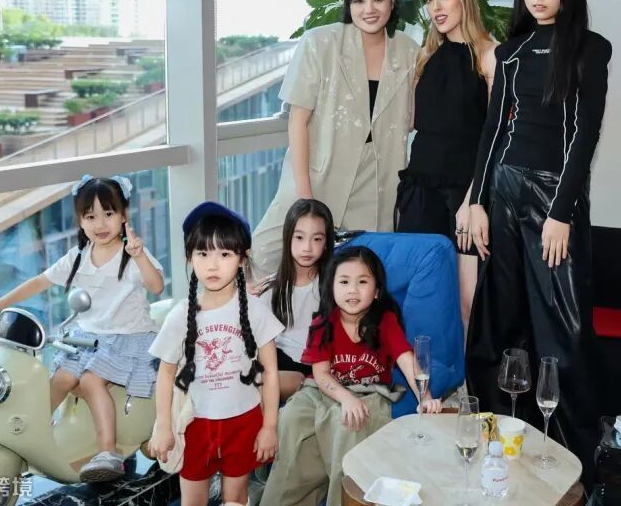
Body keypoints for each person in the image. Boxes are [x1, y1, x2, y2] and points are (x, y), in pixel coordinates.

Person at [467, 0, 611, 486]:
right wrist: (477, 201)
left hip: (555, 201)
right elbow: (492, 132)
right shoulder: (510, 52)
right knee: (499, 319)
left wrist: (561, 212)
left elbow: (584, 136)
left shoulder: (590, 49)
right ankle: (502, 441)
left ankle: (576, 469)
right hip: (503, 192)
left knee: (563, 331)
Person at [0, 174, 164, 482]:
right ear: (80, 221)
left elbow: (156, 286)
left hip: (127, 337)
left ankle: (108, 452)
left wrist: (140, 256)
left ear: (123, 215)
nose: (100, 223)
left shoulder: (131, 256)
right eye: (91, 216)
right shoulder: (78, 257)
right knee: (59, 379)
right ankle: (30, 436)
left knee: (90, 381)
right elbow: (40, 281)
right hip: (88, 339)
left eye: (108, 213)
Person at [250, 0, 420, 280]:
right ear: (348, 4)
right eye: (359, 0)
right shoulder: (320, 43)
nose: (369, 9)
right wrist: (305, 195)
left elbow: (411, 119)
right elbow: (297, 122)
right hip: (318, 173)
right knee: (264, 256)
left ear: (392, 2)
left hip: (375, 181)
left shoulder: (408, 51)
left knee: (355, 275)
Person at [261, 246, 442, 506]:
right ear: (331, 287)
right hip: (323, 389)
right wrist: (345, 397)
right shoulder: (323, 323)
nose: (352, 290)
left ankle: (343, 497)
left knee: (349, 423)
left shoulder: (384, 321)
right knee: (290, 416)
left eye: (362, 282)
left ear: (377, 290)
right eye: (344, 282)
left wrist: (425, 397)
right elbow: (320, 374)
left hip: (368, 392)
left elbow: (406, 359)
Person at [147, 202, 282, 506]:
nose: (213, 265)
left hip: (244, 421)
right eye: (203, 253)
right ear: (189, 257)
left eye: (224, 254)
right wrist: (164, 426)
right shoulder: (180, 315)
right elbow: (165, 373)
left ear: (242, 258)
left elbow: (271, 372)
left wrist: (270, 426)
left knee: (235, 499)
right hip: (196, 424)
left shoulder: (255, 311)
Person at [394, 0, 497, 333]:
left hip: (464, 194)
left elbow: (495, 136)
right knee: (416, 299)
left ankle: (467, 374)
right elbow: (411, 123)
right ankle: (422, 372)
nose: (435, 7)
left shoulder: (489, 55)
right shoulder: (425, 56)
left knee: (467, 302)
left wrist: (473, 200)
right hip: (420, 190)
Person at [257, 198, 334, 398]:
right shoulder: (271, 288)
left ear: (326, 243)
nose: (307, 247)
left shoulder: (334, 285)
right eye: (299, 237)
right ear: (288, 238)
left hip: (309, 369)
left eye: (317, 239)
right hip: (273, 359)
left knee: (267, 383)